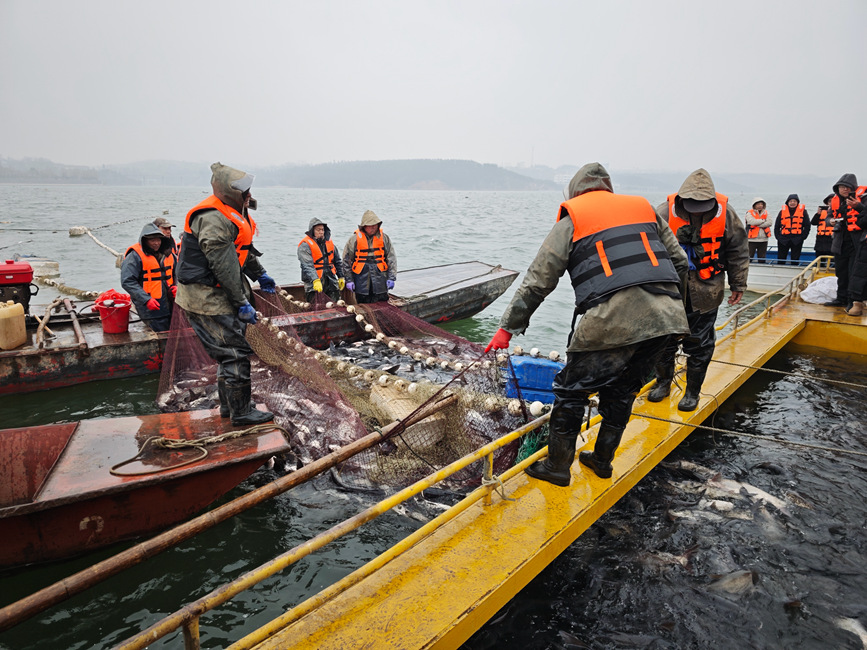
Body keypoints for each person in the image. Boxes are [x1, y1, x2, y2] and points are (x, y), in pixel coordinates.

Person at [485, 163, 689, 485]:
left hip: (611, 321)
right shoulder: (644, 209)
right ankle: (602, 460)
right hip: (667, 318)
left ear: (575, 193)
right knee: (623, 391)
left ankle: (557, 466)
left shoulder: (573, 219)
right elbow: (679, 262)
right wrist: (678, 312)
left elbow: (538, 282)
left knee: (570, 391)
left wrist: (506, 329)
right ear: (607, 188)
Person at [175, 162, 277, 425]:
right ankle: (241, 413)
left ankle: (230, 406)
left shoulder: (235, 212)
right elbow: (224, 266)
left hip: (219, 294)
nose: (249, 196)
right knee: (234, 353)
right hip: (206, 298)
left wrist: (261, 274)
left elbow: (242, 251)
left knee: (227, 353)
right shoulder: (212, 218)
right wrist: (241, 302)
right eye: (245, 192)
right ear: (230, 193)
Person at [646, 168, 749, 412]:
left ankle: (692, 392)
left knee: (701, 344)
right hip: (668, 291)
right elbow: (645, 248)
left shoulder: (727, 215)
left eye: (703, 204)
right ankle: (662, 383)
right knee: (663, 341)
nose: (697, 208)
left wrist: (738, 284)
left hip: (707, 290)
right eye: (692, 203)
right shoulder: (662, 212)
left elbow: (738, 251)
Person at [121, 221, 176, 332]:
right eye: (152, 240)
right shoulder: (134, 256)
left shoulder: (169, 255)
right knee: (159, 331)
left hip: (170, 304)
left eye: (158, 240)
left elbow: (178, 273)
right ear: (145, 241)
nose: (156, 243)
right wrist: (146, 299)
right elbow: (127, 281)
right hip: (150, 308)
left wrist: (177, 285)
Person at [826, 174, 867, 315]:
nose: (844, 189)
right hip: (840, 241)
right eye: (841, 187)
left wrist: (858, 206)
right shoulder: (835, 201)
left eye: (847, 187)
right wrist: (830, 220)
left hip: (857, 241)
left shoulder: (862, 199)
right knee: (841, 271)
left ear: (853, 188)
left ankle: (853, 301)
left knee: (853, 272)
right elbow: (827, 217)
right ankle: (840, 298)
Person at [343, 210, 397, 303]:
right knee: (363, 303)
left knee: (382, 303)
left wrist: (391, 277)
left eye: (375, 225)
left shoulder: (384, 238)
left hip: (380, 279)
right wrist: (349, 280)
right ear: (364, 226)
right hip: (361, 280)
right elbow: (346, 260)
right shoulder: (353, 239)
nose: (373, 227)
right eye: (370, 225)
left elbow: (391, 258)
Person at [298, 218, 345, 302]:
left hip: (331, 281)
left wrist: (341, 276)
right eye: (318, 230)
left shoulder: (329, 243)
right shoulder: (305, 246)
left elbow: (337, 261)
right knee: (315, 306)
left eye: (322, 230)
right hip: (313, 284)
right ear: (312, 231)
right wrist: (315, 280)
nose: (321, 232)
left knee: (335, 304)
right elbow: (307, 266)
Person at [773, 194, 811, 265]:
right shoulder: (782, 212)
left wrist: (803, 237)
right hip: (783, 239)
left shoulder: (803, 212)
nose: (792, 203)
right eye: (790, 201)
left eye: (794, 201)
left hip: (797, 239)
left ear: (797, 202)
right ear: (787, 202)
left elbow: (807, 225)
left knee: (795, 259)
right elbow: (777, 226)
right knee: (781, 258)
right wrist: (778, 237)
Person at [744, 198, 773, 263]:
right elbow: (751, 222)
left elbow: (770, 222)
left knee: (762, 257)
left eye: (761, 204)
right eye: (758, 204)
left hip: (763, 239)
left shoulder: (766, 213)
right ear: (754, 205)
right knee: (749, 256)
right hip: (751, 239)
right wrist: (763, 221)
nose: (760, 205)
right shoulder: (749, 213)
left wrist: (758, 225)